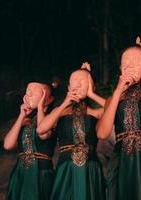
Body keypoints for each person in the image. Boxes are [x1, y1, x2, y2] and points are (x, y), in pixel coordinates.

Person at [96, 37, 141, 200]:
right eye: (124, 62)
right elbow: (102, 133)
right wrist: (118, 91)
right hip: (122, 161)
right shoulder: (112, 100)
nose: (128, 65)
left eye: (133, 61)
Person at [37, 62, 106, 200]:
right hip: (66, 167)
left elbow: (114, 109)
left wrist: (91, 94)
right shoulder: (60, 111)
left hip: (90, 168)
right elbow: (41, 129)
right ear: (68, 87)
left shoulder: (95, 112)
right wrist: (64, 104)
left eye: (82, 81)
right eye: (74, 81)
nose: (78, 84)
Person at [4, 82, 56, 200]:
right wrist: (21, 116)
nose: (29, 94)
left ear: (48, 99)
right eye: (27, 91)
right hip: (21, 171)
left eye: (35, 91)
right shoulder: (26, 120)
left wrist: (40, 108)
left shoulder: (52, 117)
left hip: (40, 173)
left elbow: (43, 133)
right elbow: (8, 145)